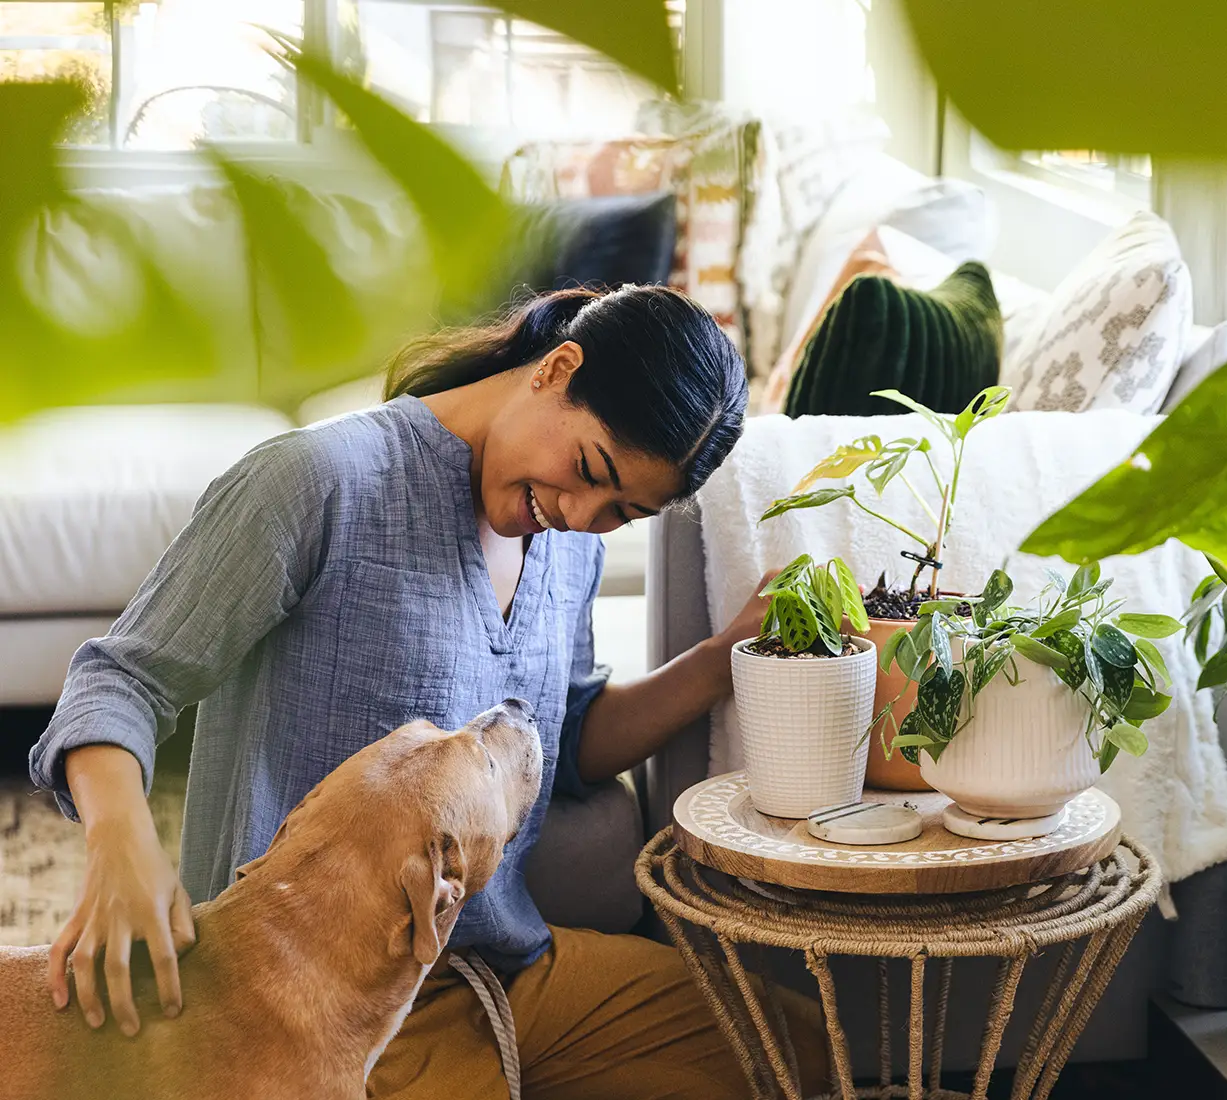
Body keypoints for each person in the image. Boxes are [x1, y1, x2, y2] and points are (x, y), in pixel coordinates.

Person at [30, 284, 827, 1098]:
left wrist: (727, 653)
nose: (578, 512)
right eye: (588, 469)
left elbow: (566, 741)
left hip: (504, 969)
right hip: (310, 993)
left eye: (621, 511)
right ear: (557, 368)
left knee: (795, 1045)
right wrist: (119, 848)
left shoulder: (572, 551)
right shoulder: (316, 483)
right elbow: (119, 678)